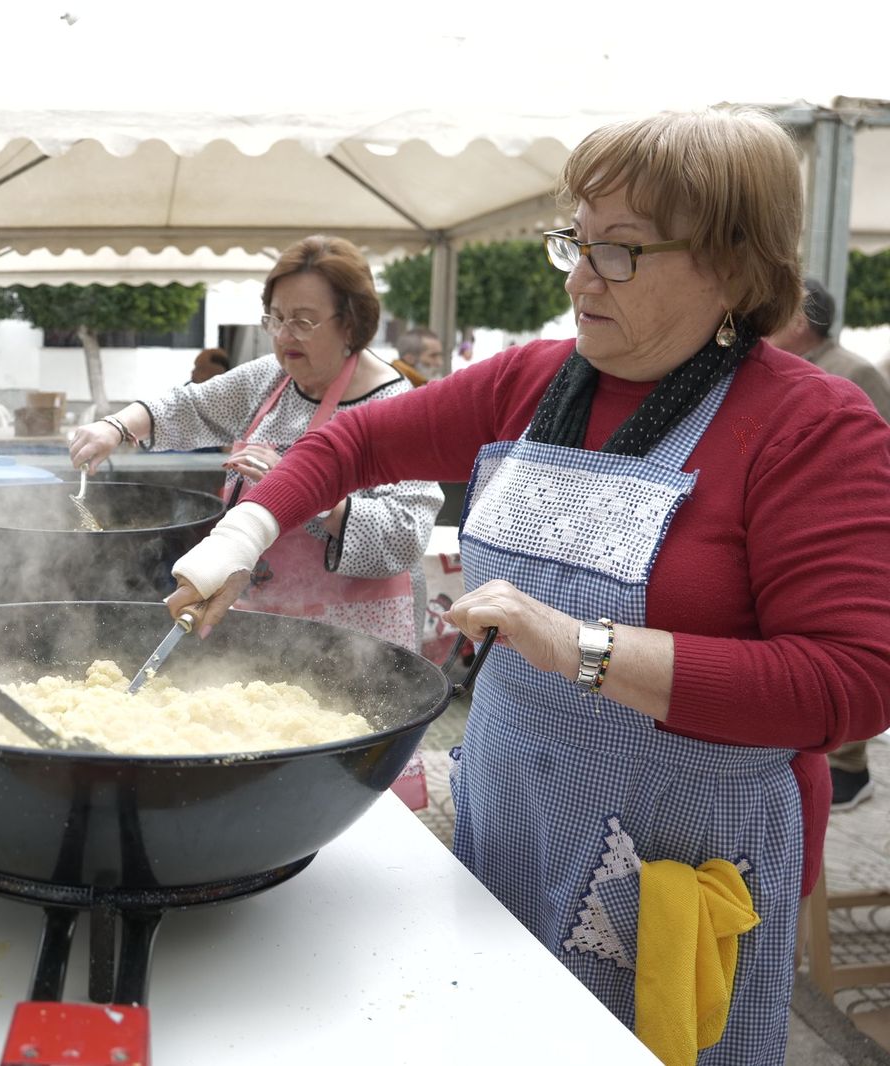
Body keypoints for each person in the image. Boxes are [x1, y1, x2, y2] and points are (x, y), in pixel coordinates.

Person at [164, 110, 890, 1063]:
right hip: (510, 806)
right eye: (575, 243)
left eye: (621, 252)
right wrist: (242, 530)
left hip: (676, 852)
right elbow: (355, 440)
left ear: (733, 264)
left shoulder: (811, 425)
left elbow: (851, 682)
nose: (582, 278)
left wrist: (584, 649)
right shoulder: (536, 382)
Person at [70, 235, 442, 650]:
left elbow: (406, 534)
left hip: (355, 635)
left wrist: (302, 488)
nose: (284, 336)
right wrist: (116, 427)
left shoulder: (396, 405)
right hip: (269, 612)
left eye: (303, 321)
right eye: (276, 318)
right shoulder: (270, 378)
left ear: (352, 323)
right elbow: (188, 406)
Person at [767, 277, 890, 811]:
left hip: (841, 525)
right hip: (799, 521)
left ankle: (850, 768)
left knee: (841, 642)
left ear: (799, 319)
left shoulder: (853, 372)